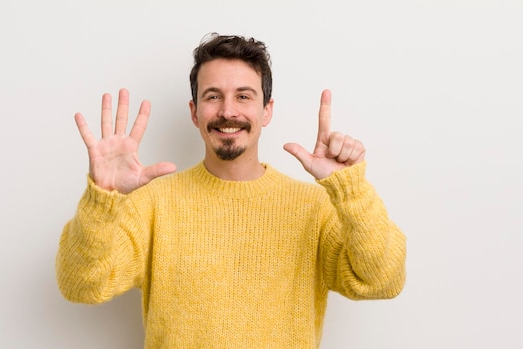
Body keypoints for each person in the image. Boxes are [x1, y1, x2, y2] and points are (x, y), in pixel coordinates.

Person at [56, 33, 406, 348]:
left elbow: (383, 280)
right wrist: (102, 198)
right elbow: (81, 285)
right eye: (213, 96)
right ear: (194, 113)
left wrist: (351, 190)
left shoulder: (314, 208)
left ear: (266, 110)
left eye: (243, 96)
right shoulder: (153, 204)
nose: (227, 111)